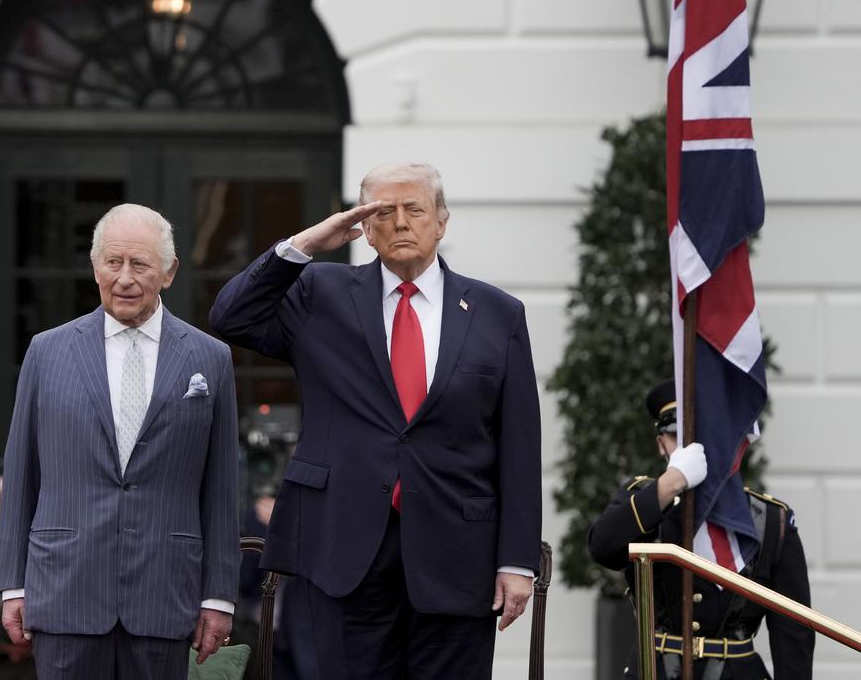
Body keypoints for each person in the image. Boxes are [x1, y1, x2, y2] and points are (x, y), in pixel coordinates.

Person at [210, 162, 542, 680]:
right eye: (384, 212)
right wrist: (305, 245)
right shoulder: (320, 292)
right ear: (363, 227)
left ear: (442, 222)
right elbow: (232, 316)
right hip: (344, 547)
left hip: (457, 553)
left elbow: (520, 445)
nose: (401, 223)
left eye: (415, 210)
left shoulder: (497, 312)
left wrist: (517, 561)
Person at [0, 204, 239, 680]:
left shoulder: (210, 359)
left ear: (168, 273)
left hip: (165, 591)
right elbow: (22, 471)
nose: (125, 278)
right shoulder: (47, 352)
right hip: (64, 588)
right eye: (113, 262)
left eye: (140, 264)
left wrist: (218, 595)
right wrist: (13, 585)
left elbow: (221, 488)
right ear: (95, 267)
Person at [587, 379, 814, 679]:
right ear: (661, 445)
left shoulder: (770, 520)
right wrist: (670, 483)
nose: (692, 445)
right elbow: (603, 546)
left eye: (703, 435)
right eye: (677, 436)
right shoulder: (643, 500)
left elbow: (793, 640)